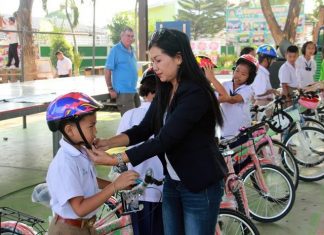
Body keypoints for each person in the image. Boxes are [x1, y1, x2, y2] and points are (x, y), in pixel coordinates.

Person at [87, 28, 227, 235]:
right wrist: (107, 142)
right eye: (152, 62)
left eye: (158, 60)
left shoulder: (195, 93)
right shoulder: (166, 88)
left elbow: (164, 140)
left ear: (178, 58)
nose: (155, 68)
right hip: (173, 181)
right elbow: (144, 129)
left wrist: (113, 159)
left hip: (199, 184)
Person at [45, 92, 139, 235]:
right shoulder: (65, 163)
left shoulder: (81, 152)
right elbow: (80, 208)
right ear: (70, 130)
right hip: (69, 230)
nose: (96, 130)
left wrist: (117, 184)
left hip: (85, 226)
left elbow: (86, 180)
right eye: (91, 126)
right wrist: (115, 186)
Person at [116, 67, 164, 235]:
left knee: (135, 228)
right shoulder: (167, 114)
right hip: (162, 188)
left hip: (132, 187)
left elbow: (119, 148)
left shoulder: (129, 115)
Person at [203, 54, 258, 138]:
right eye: (237, 71)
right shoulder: (225, 85)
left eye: (243, 74)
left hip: (242, 133)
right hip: (225, 132)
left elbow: (233, 100)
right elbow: (215, 99)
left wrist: (212, 78)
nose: (238, 75)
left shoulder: (248, 89)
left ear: (249, 77)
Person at [104, 26, 140, 116]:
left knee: (138, 120)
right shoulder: (115, 50)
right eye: (128, 36)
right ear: (122, 36)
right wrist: (110, 88)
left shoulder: (132, 50)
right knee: (129, 123)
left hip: (134, 90)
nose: (130, 38)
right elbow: (107, 70)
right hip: (123, 92)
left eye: (132, 36)